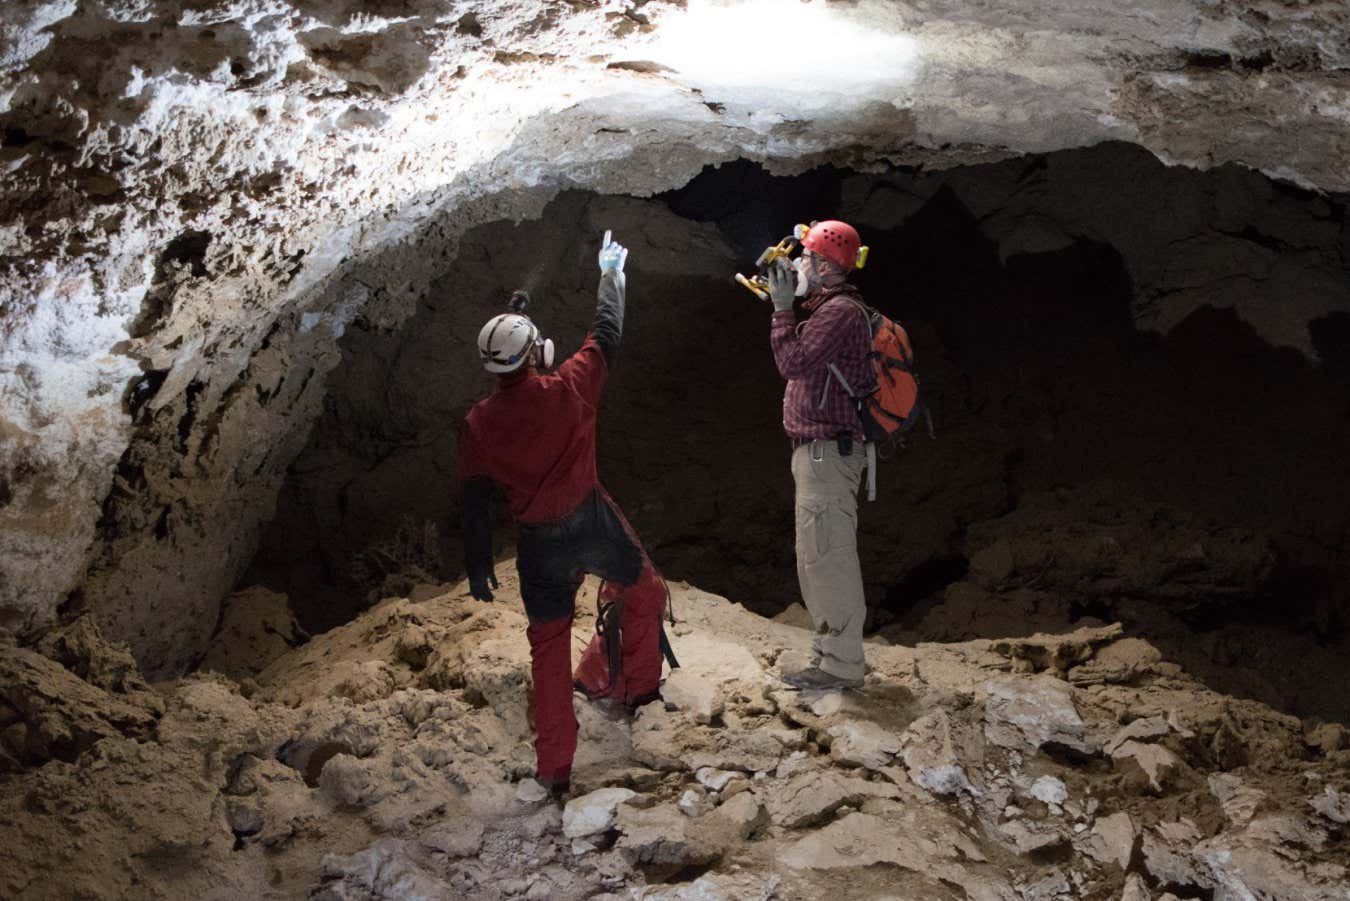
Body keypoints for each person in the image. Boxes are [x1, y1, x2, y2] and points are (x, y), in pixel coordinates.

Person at [458, 231, 669, 796]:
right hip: (589, 520)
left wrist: (479, 562)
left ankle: (554, 769)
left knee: (547, 647)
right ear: (539, 355)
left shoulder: (480, 422)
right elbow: (607, 334)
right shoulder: (569, 388)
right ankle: (639, 691)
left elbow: (475, 498)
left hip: (537, 545)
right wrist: (610, 276)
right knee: (644, 590)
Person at [765, 220, 876, 691]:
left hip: (828, 454)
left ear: (827, 267)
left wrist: (782, 310)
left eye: (804, 258)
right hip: (818, 454)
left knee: (828, 557)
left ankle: (842, 667)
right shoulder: (827, 309)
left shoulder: (841, 313)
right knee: (815, 557)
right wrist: (788, 308)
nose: (796, 265)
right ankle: (828, 657)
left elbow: (792, 362)